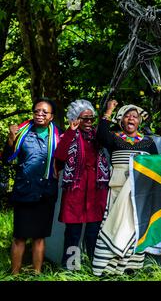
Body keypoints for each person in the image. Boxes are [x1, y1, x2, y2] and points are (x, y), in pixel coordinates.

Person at [91, 100, 158, 275]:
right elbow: (100, 136)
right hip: (117, 189)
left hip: (139, 193)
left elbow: (157, 166)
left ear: (139, 122)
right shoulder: (114, 137)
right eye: (127, 116)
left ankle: (130, 268)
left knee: (134, 227)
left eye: (134, 116)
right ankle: (106, 268)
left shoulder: (148, 142)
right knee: (113, 225)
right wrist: (109, 111)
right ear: (121, 121)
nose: (131, 119)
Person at [1, 98, 60, 274]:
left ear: (51, 116)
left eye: (44, 112)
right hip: (24, 191)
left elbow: (65, 158)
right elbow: (6, 158)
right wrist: (11, 138)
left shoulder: (58, 135)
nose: (40, 114)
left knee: (39, 237)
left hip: (45, 192)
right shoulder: (22, 132)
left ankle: (37, 273)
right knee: (19, 237)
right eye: (37, 111)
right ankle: (14, 274)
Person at [54, 99, 110, 269]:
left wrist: (107, 113)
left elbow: (107, 137)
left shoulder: (97, 136)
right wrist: (71, 132)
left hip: (95, 189)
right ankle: (71, 267)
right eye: (84, 119)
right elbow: (60, 156)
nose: (89, 122)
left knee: (93, 232)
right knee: (73, 233)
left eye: (91, 119)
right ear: (75, 119)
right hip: (76, 191)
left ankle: (93, 266)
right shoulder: (68, 135)